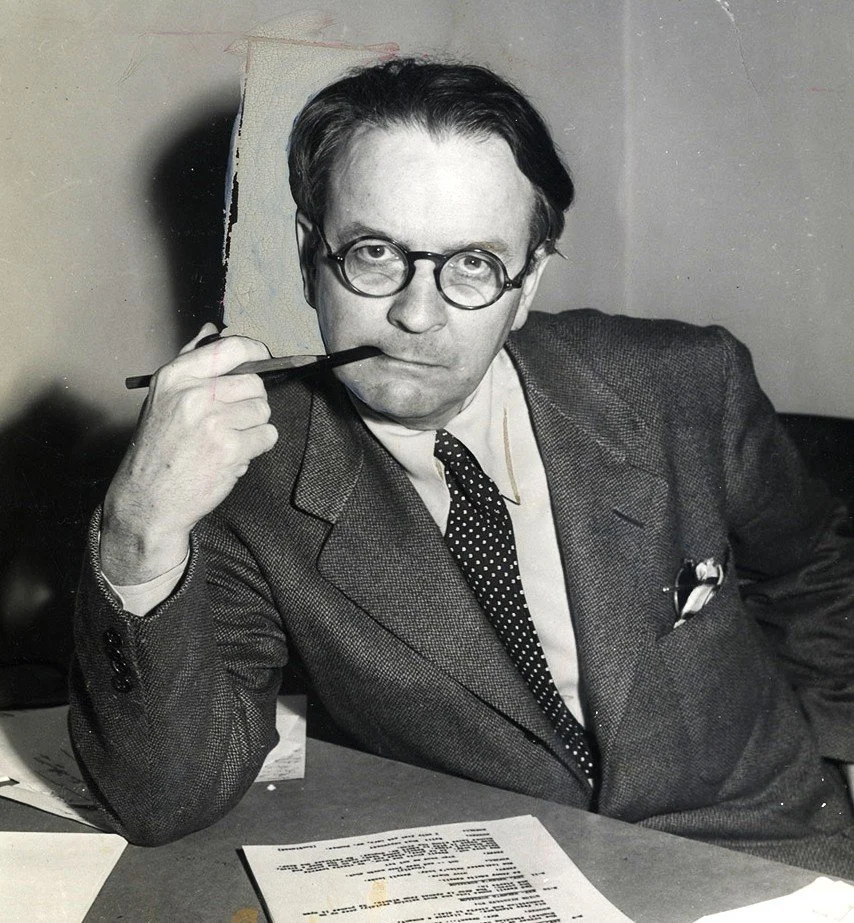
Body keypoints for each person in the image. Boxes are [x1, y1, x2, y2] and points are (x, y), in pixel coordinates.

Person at [69, 58, 854, 874]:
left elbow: (815, 565)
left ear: (528, 284)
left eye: (473, 264)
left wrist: (841, 753)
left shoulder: (685, 379)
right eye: (374, 253)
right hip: (500, 876)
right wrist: (139, 528)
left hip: (767, 849)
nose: (417, 313)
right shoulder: (248, 476)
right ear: (311, 256)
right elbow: (163, 798)